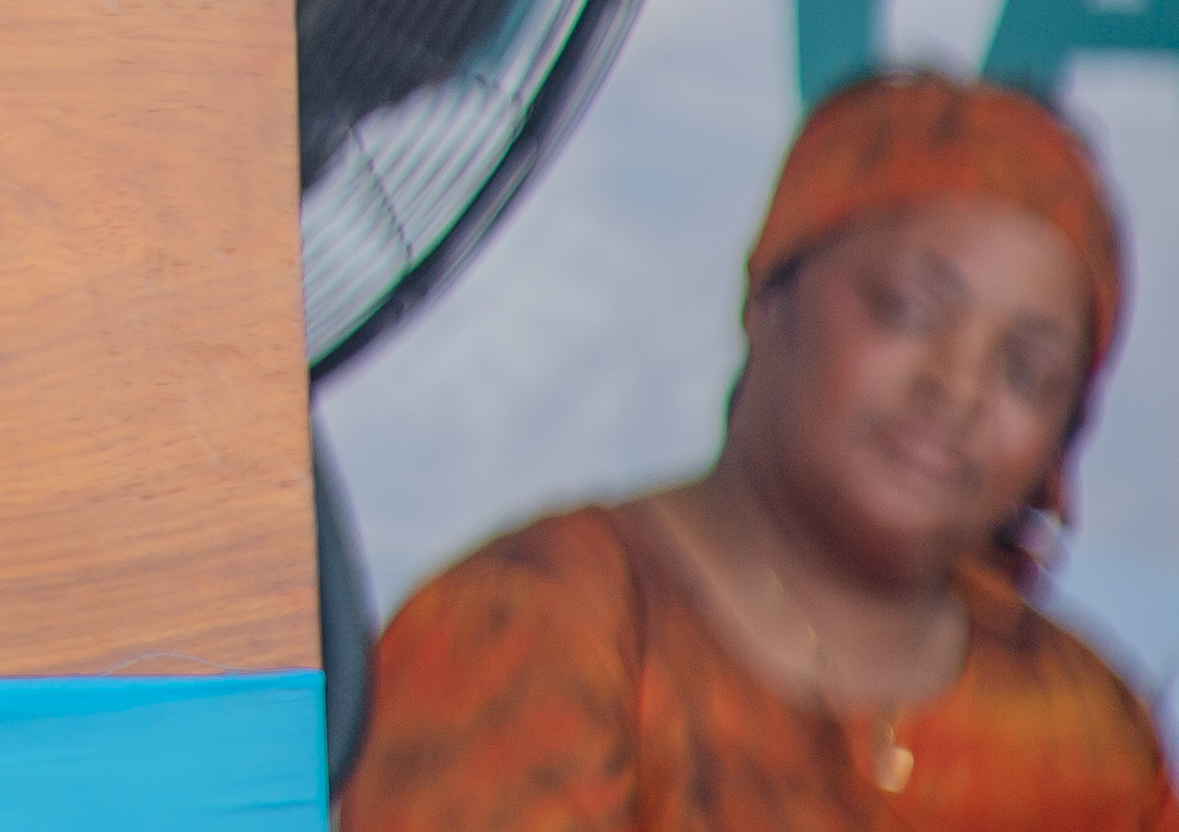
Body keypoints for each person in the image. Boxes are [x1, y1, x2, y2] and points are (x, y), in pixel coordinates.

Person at [342, 69, 1169, 829]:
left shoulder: (1085, 732)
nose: (957, 387)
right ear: (772, 291)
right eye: (909, 310)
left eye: (1026, 371)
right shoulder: (537, 625)